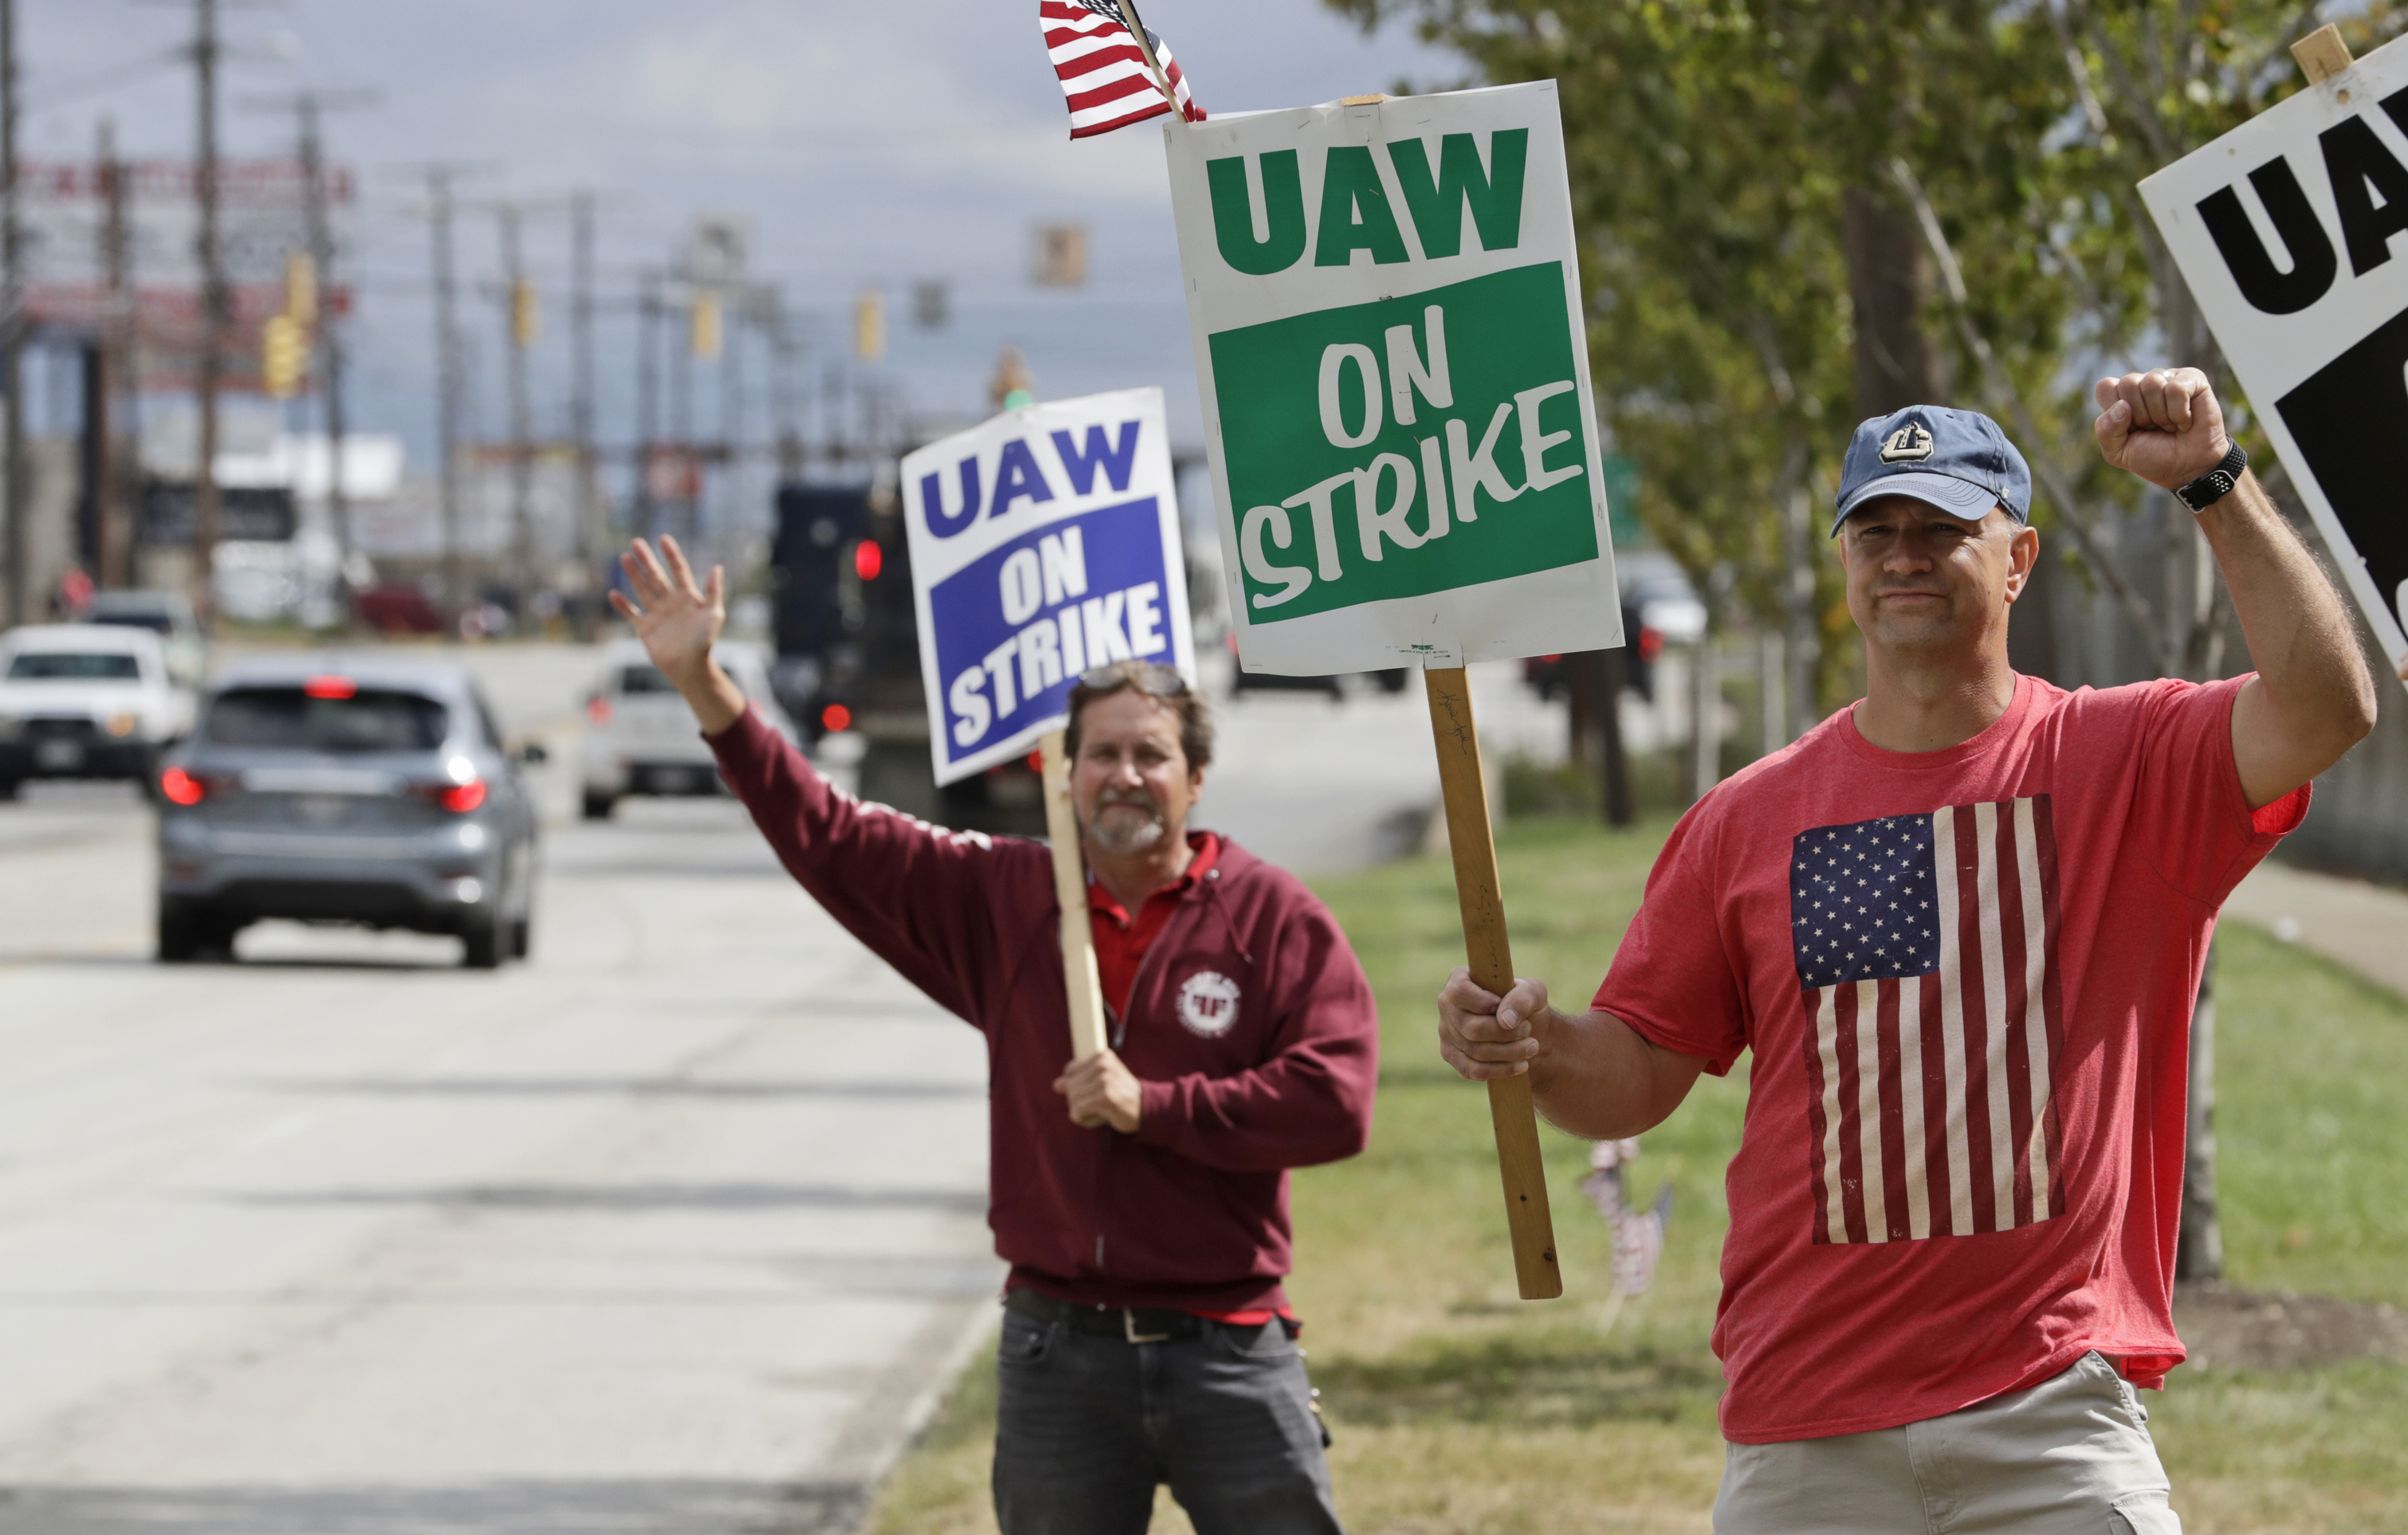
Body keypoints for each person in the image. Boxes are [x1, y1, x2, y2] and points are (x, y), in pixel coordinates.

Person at [1438, 371, 2377, 1533]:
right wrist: (1531, 1046)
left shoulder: (2127, 759)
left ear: (2020, 558)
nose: (1903, 556)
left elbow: (2329, 706)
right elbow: (1635, 1068)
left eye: (1942, 529)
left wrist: (2215, 483)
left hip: (2051, 1416)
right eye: (1874, 530)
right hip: (1807, 1424)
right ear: (1843, 566)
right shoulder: (1746, 816)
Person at [611, 536, 1377, 1535]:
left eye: (1152, 753)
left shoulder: (1275, 919)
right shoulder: (1003, 900)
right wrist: (706, 683)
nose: (1125, 775)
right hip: (1059, 1355)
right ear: (1064, 776)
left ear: (1195, 777)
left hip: (1230, 1347)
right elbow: (827, 834)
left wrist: (1157, 1108)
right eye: (1100, 753)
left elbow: (1336, 1104)